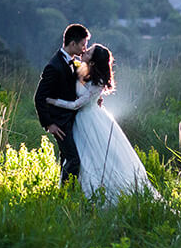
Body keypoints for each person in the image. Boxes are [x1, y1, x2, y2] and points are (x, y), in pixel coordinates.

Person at [44, 44, 159, 203]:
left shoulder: (96, 82)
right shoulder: (81, 70)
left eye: (89, 51)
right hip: (80, 119)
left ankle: (91, 194)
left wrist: (53, 101)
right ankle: (73, 194)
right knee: (77, 157)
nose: (85, 51)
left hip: (88, 119)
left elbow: (76, 104)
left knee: (90, 157)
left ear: (92, 62)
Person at [33, 23, 89, 183]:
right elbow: (39, 97)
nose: (85, 49)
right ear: (73, 44)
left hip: (71, 120)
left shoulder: (73, 62)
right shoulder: (53, 66)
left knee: (66, 157)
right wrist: (49, 123)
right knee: (73, 159)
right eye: (83, 45)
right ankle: (65, 195)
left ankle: (64, 191)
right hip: (60, 123)